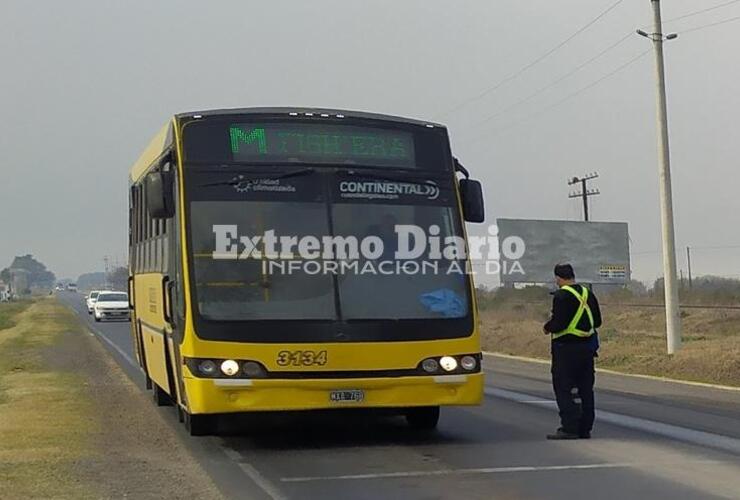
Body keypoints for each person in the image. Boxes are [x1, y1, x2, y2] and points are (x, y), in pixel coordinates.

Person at [543, 263, 602, 440]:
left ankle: (569, 428)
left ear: (558, 279)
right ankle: (585, 428)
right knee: (585, 389)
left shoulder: (561, 296)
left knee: (564, 388)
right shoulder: (588, 294)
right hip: (587, 350)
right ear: (572, 276)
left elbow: (559, 323)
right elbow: (597, 321)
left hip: (566, 350)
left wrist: (547, 327)